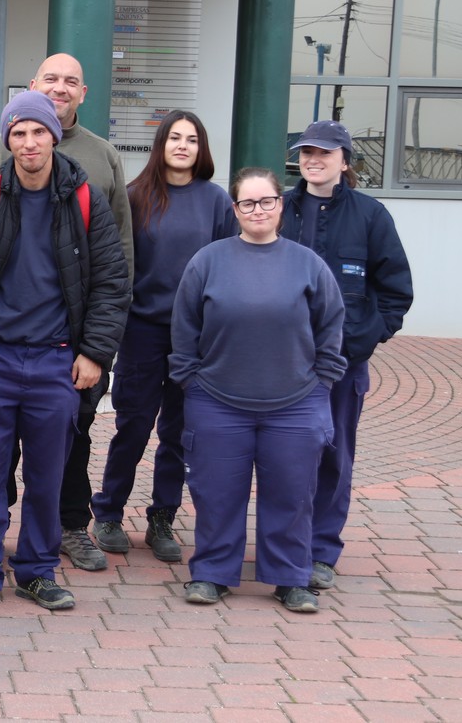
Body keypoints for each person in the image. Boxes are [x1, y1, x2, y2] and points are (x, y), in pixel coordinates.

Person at [0, 91, 130, 614]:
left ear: (53, 136)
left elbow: (112, 283)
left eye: (37, 132)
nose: (28, 143)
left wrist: (95, 354)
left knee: (48, 474)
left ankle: (38, 572)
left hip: (56, 361)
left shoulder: (83, 200)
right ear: (7, 141)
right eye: (17, 133)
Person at [170, 168, 346, 613]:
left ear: (280, 205)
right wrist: (191, 380)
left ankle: (290, 577)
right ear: (235, 210)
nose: (257, 210)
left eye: (266, 201)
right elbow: (184, 328)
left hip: (295, 404)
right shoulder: (207, 261)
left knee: (292, 494)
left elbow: (331, 327)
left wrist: (321, 382)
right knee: (216, 493)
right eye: (247, 203)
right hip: (217, 402)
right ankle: (211, 573)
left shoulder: (308, 265)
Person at [90, 111, 234, 562]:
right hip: (143, 331)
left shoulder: (217, 201)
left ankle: (162, 518)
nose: (183, 146)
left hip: (196, 337)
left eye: (192, 139)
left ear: (201, 148)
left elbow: (230, 267)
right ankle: (109, 512)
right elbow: (119, 264)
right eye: (175, 137)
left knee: (180, 432)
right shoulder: (136, 196)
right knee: (132, 426)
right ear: (161, 144)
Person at [283, 121, 413, 591]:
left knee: (333, 456)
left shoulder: (371, 216)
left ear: (344, 160)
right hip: (281, 364)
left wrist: (361, 342)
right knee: (282, 457)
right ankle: (282, 544)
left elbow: (395, 292)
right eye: (306, 152)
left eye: (324, 153)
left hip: (341, 365)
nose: (313, 160)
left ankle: (321, 551)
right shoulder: (280, 208)